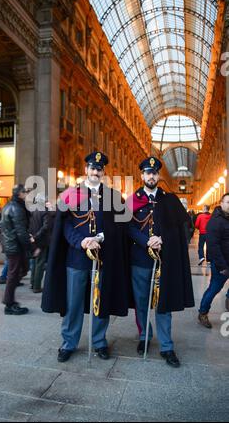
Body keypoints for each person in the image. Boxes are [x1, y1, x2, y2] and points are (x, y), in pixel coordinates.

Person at [42, 151, 132, 363]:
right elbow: (64, 224)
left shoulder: (113, 196)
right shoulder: (71, 194)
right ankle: (69, 343)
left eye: (99, 169)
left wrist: (100, 237)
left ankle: (99, 341)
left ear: (103, 172)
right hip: (77, 258)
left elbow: (119, 226)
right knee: (73, 303)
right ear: (86, 170)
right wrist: (80, 242)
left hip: (103, 257)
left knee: (101, 301)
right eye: (92, 168)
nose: (95, 172)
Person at [127, 157, 194, 368]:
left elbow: (185, 228)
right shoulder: (132, 200)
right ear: (142, 175)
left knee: (163, 305)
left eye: (155, 173)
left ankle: (166, 346)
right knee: (141, 301)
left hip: (164, 261)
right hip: (139, 260)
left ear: (158, 176)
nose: (151, 176)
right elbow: (125, 228)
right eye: (148, 172)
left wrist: (163, 238)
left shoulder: (169, 200)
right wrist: (146, 240)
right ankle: (144, 337)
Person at [0, 184, 32, 315]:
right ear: (20, 194)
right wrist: (30, 246)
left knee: (18, 272)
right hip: (15, 246)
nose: (27, 194)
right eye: (25, 192)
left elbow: (2, 225)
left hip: (11, 244)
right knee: (13, 275)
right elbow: (20, 231)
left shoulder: (8, 206)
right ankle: (9, 304)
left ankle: (9, 301)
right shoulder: (17, 208)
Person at [198, 193, 229, 327]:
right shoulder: (216, 221)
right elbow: (213, 246)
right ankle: (203, 312)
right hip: (222, 263)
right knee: (214, 288)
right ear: (221, 203)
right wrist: (222, 266)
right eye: (228, 202)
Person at [29, 193, 52, 293]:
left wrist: (32, 236)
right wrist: (36, 236)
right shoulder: (44, 211)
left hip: (33, 239)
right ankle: (36, 286)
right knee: (40, 263)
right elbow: (46, 226)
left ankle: (32, 283)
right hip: (41, 240)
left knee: (35, 262)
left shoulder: (32, 210)